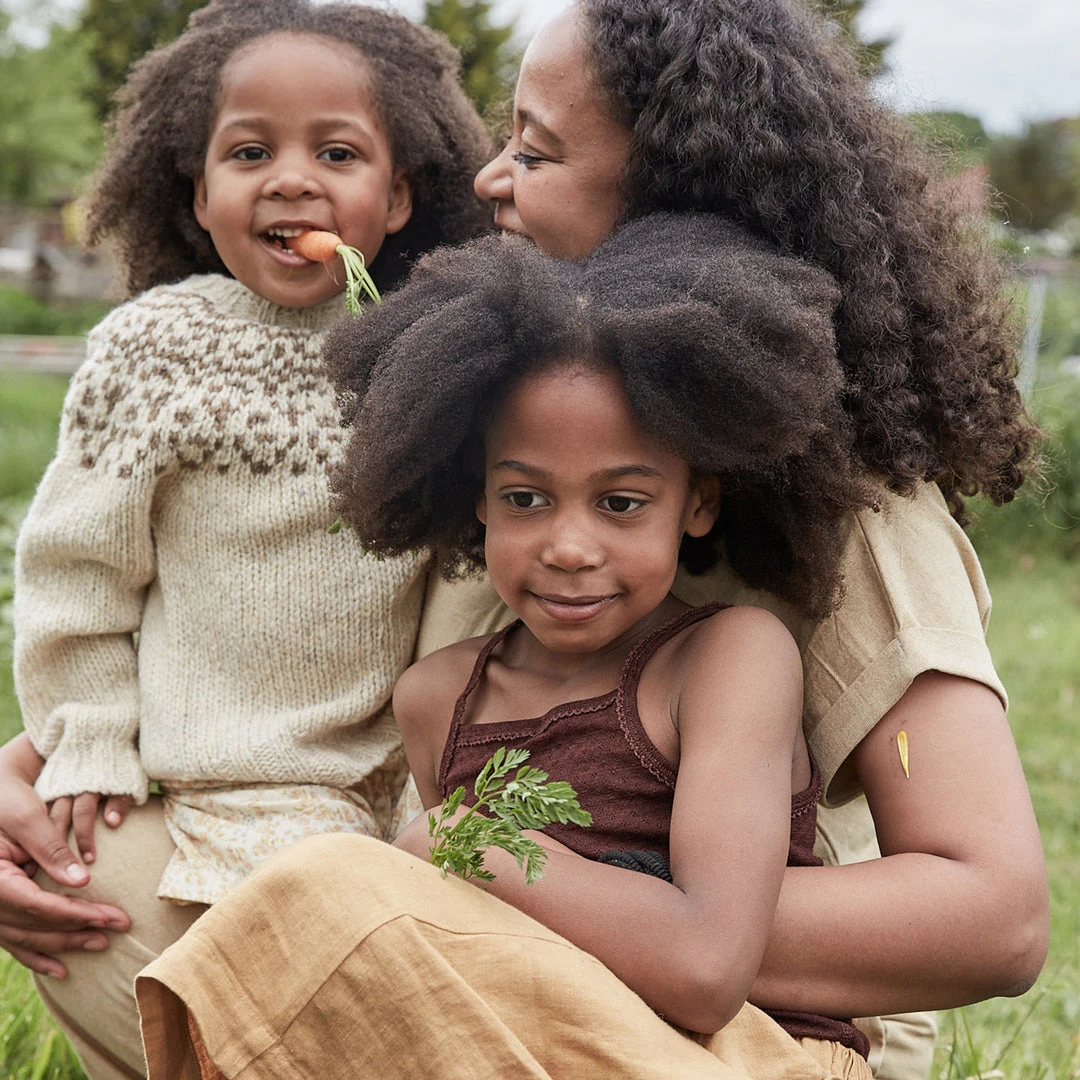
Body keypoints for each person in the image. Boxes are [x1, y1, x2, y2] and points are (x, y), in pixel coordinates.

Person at [0, 0, 1049, 1077]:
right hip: (464, 938)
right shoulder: (490, 420)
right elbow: (277, 668)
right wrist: (35, 773)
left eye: (535, 152)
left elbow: (994, 917)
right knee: (98, 876)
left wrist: (498, 895)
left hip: (718, 1030)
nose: (489, 179)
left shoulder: (843, 496)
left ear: (672, 195)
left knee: (317, 900)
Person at [138, 214, 882, 1079]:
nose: (569, 547)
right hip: (532, 1041)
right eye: (526, 499)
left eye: (621, 503)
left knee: (333, 885)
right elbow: (473, 960)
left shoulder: (725, 661)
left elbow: (707, 968)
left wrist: (463, 843)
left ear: (699, 503)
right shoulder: (438, 700)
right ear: (478, 499)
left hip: (748, 1056)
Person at [3, 0, 490, 1075]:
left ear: (399, 194)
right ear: (197, 189)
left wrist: (429, 802)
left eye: (338, 152)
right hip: (183, 784)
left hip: (358, 792)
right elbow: (78, 572)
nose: (292, 179)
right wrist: (86, 730)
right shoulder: (155, 349)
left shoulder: (430, 359)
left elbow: (451, 609)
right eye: (250, 151)